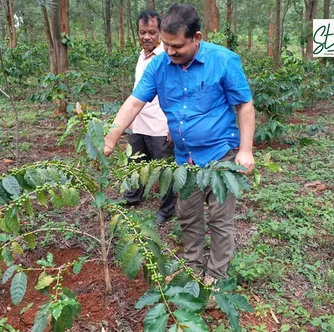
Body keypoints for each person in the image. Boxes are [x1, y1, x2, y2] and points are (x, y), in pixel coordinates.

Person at [104, 3, 255, 285]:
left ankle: (216, 276)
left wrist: (245, 151)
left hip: (220, 154)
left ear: (197, 38)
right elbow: (135, 101)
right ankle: (193, 267)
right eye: (166, 44)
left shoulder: (223, 60)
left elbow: (244, 105)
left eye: (177, 46)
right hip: (185, 159)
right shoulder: (159, 65)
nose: (170, 51)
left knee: (219, 220)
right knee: (188, 216)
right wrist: (112, 136)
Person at [124, 9, 176, 225]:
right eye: (142, 32)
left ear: (161, 32)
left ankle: (166, 209)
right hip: (139, 123)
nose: (146, 37)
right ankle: (131, 198)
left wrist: (173, 126)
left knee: (164, 171)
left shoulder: (168, 56)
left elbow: (175, 91)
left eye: (152, 32)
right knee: (135, 164)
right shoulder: (142, 55)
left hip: (159, 125)